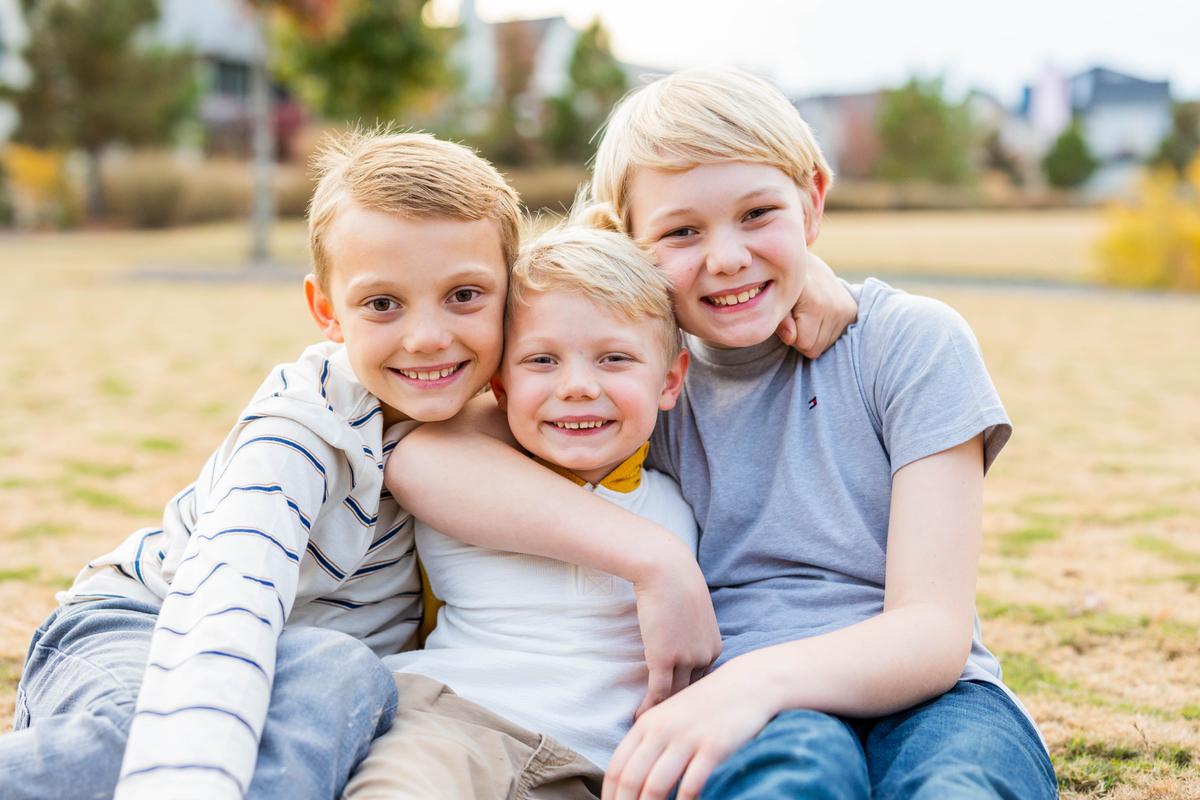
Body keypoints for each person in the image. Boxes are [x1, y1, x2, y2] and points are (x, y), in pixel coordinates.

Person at [383, 70, 1058, 800]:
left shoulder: (911, 343)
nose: (728, 256)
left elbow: (932, 631)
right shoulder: (636, 383)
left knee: (963, 786)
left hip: (934, 697)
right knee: (791, 781)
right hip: (735, 706)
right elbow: (425, 453)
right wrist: (658, 564)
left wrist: (750, 684)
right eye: (681, 231)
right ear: (627, 244)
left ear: (814, 200)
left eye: (759, 214)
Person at [1, 130, 529, 800]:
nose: (426, 336)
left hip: (306, 673)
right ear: (326, 312)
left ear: (515, 293)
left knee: (348, 677)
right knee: (144, 737)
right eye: (382, 303)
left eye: (464, 295)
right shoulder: (297, 437)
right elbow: (226, 613)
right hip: (151, 626)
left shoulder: (524, 413)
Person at [346, 222, 703, 799]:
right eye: (542, 361)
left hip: (604, 770)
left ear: (670, 380)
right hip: (457, 727)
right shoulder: (471, 474)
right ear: (500, 388)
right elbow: (416, 455)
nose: (579, 387)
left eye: (614, 358)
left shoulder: (680, 500)